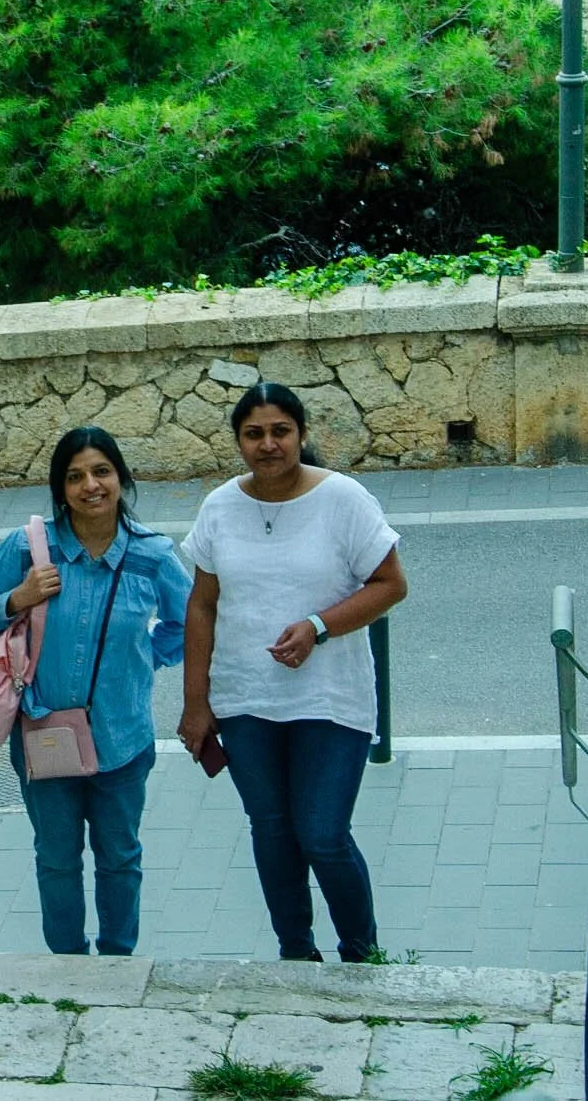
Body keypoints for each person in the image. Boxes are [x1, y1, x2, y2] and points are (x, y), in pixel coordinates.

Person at [177, 382, 407, 963]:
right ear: (238, 441)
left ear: (302, 434)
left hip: (330, 699)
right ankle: (297, 956)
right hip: (245, 700)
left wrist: (318, 626)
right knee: (272, 830)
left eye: (280, 431)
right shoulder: (219, 507)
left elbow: (390, 585)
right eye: (253, 434)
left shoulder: (344, 499)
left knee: (323, 833)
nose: (268, 444)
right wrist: (195, 703)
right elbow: (202, 605)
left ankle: (363, 957)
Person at [0, 427, 191, 956]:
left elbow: (188, 623)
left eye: (101, 472)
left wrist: (142, 660)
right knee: (56, 859)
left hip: (122, 738)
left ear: (121, 478)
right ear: (61, 489)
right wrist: (19, 597)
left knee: (120, 857)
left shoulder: (152, 555)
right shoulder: (28, 549)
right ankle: (66, 963)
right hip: (43, 735)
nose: (90, 486)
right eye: (75, 477)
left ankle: (116, 960)